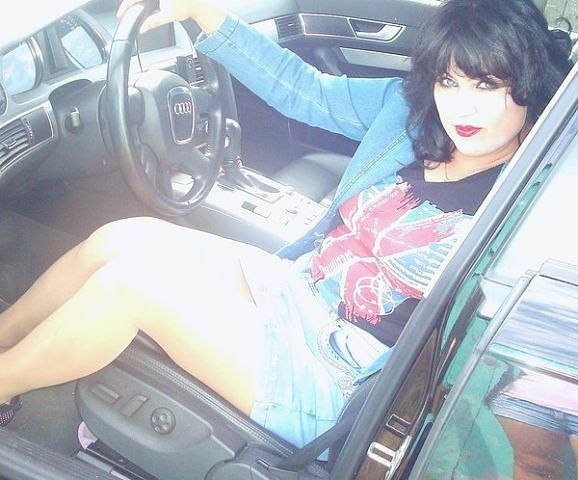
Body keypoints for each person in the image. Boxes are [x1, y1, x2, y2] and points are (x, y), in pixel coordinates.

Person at [0, 0, 570, 452]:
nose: (462, 108)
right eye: (449, 82)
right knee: (122, 237)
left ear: (528, 85)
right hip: (298, 289)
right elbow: (306, 91)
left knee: (129, 287)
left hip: (340, 375)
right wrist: (202, 12)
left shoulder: (534, 201)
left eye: (487, 85)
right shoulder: (411, 114)